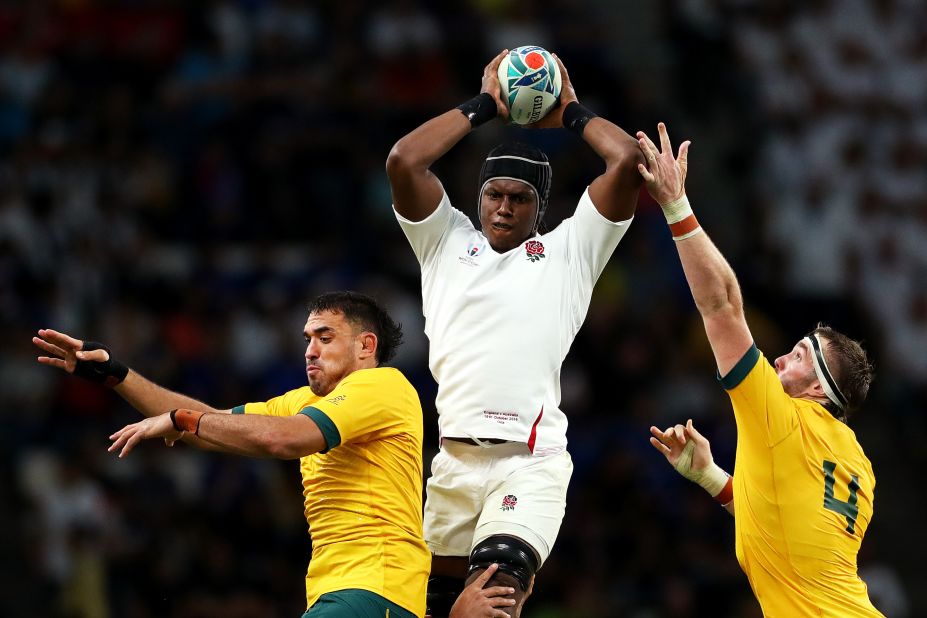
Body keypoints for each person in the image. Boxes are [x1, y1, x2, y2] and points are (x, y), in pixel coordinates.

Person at [385, 49, 643, 617]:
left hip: (529, 461)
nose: (503, 208)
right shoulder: (444, 242)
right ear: (477, 198)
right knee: (428, 607)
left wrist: (571, 111)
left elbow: (627, 159)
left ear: (540, 206)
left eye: (519, 198)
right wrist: (484, 106)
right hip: (451, 463)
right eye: (493, 194)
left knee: (495, 600)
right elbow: (405, 160)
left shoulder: (568, 253)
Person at [33, 291, 431, 618]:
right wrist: (116, 375)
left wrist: (183, 420)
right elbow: (208, 424)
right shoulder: (306, 401)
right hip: (346, 591)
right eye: (307, 339)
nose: (310, 351)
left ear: (366, 345)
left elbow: (283, 439)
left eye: (324, 338)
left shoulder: (382, 384)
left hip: (375, 586)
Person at [639, 122, 884, 617]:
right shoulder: (856, 461)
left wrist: (675, 206)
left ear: (817, 387)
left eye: (797, 355)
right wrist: (711, 476)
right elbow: (778, 522)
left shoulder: (782, 420)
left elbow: (723, 306)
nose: (778, 359)